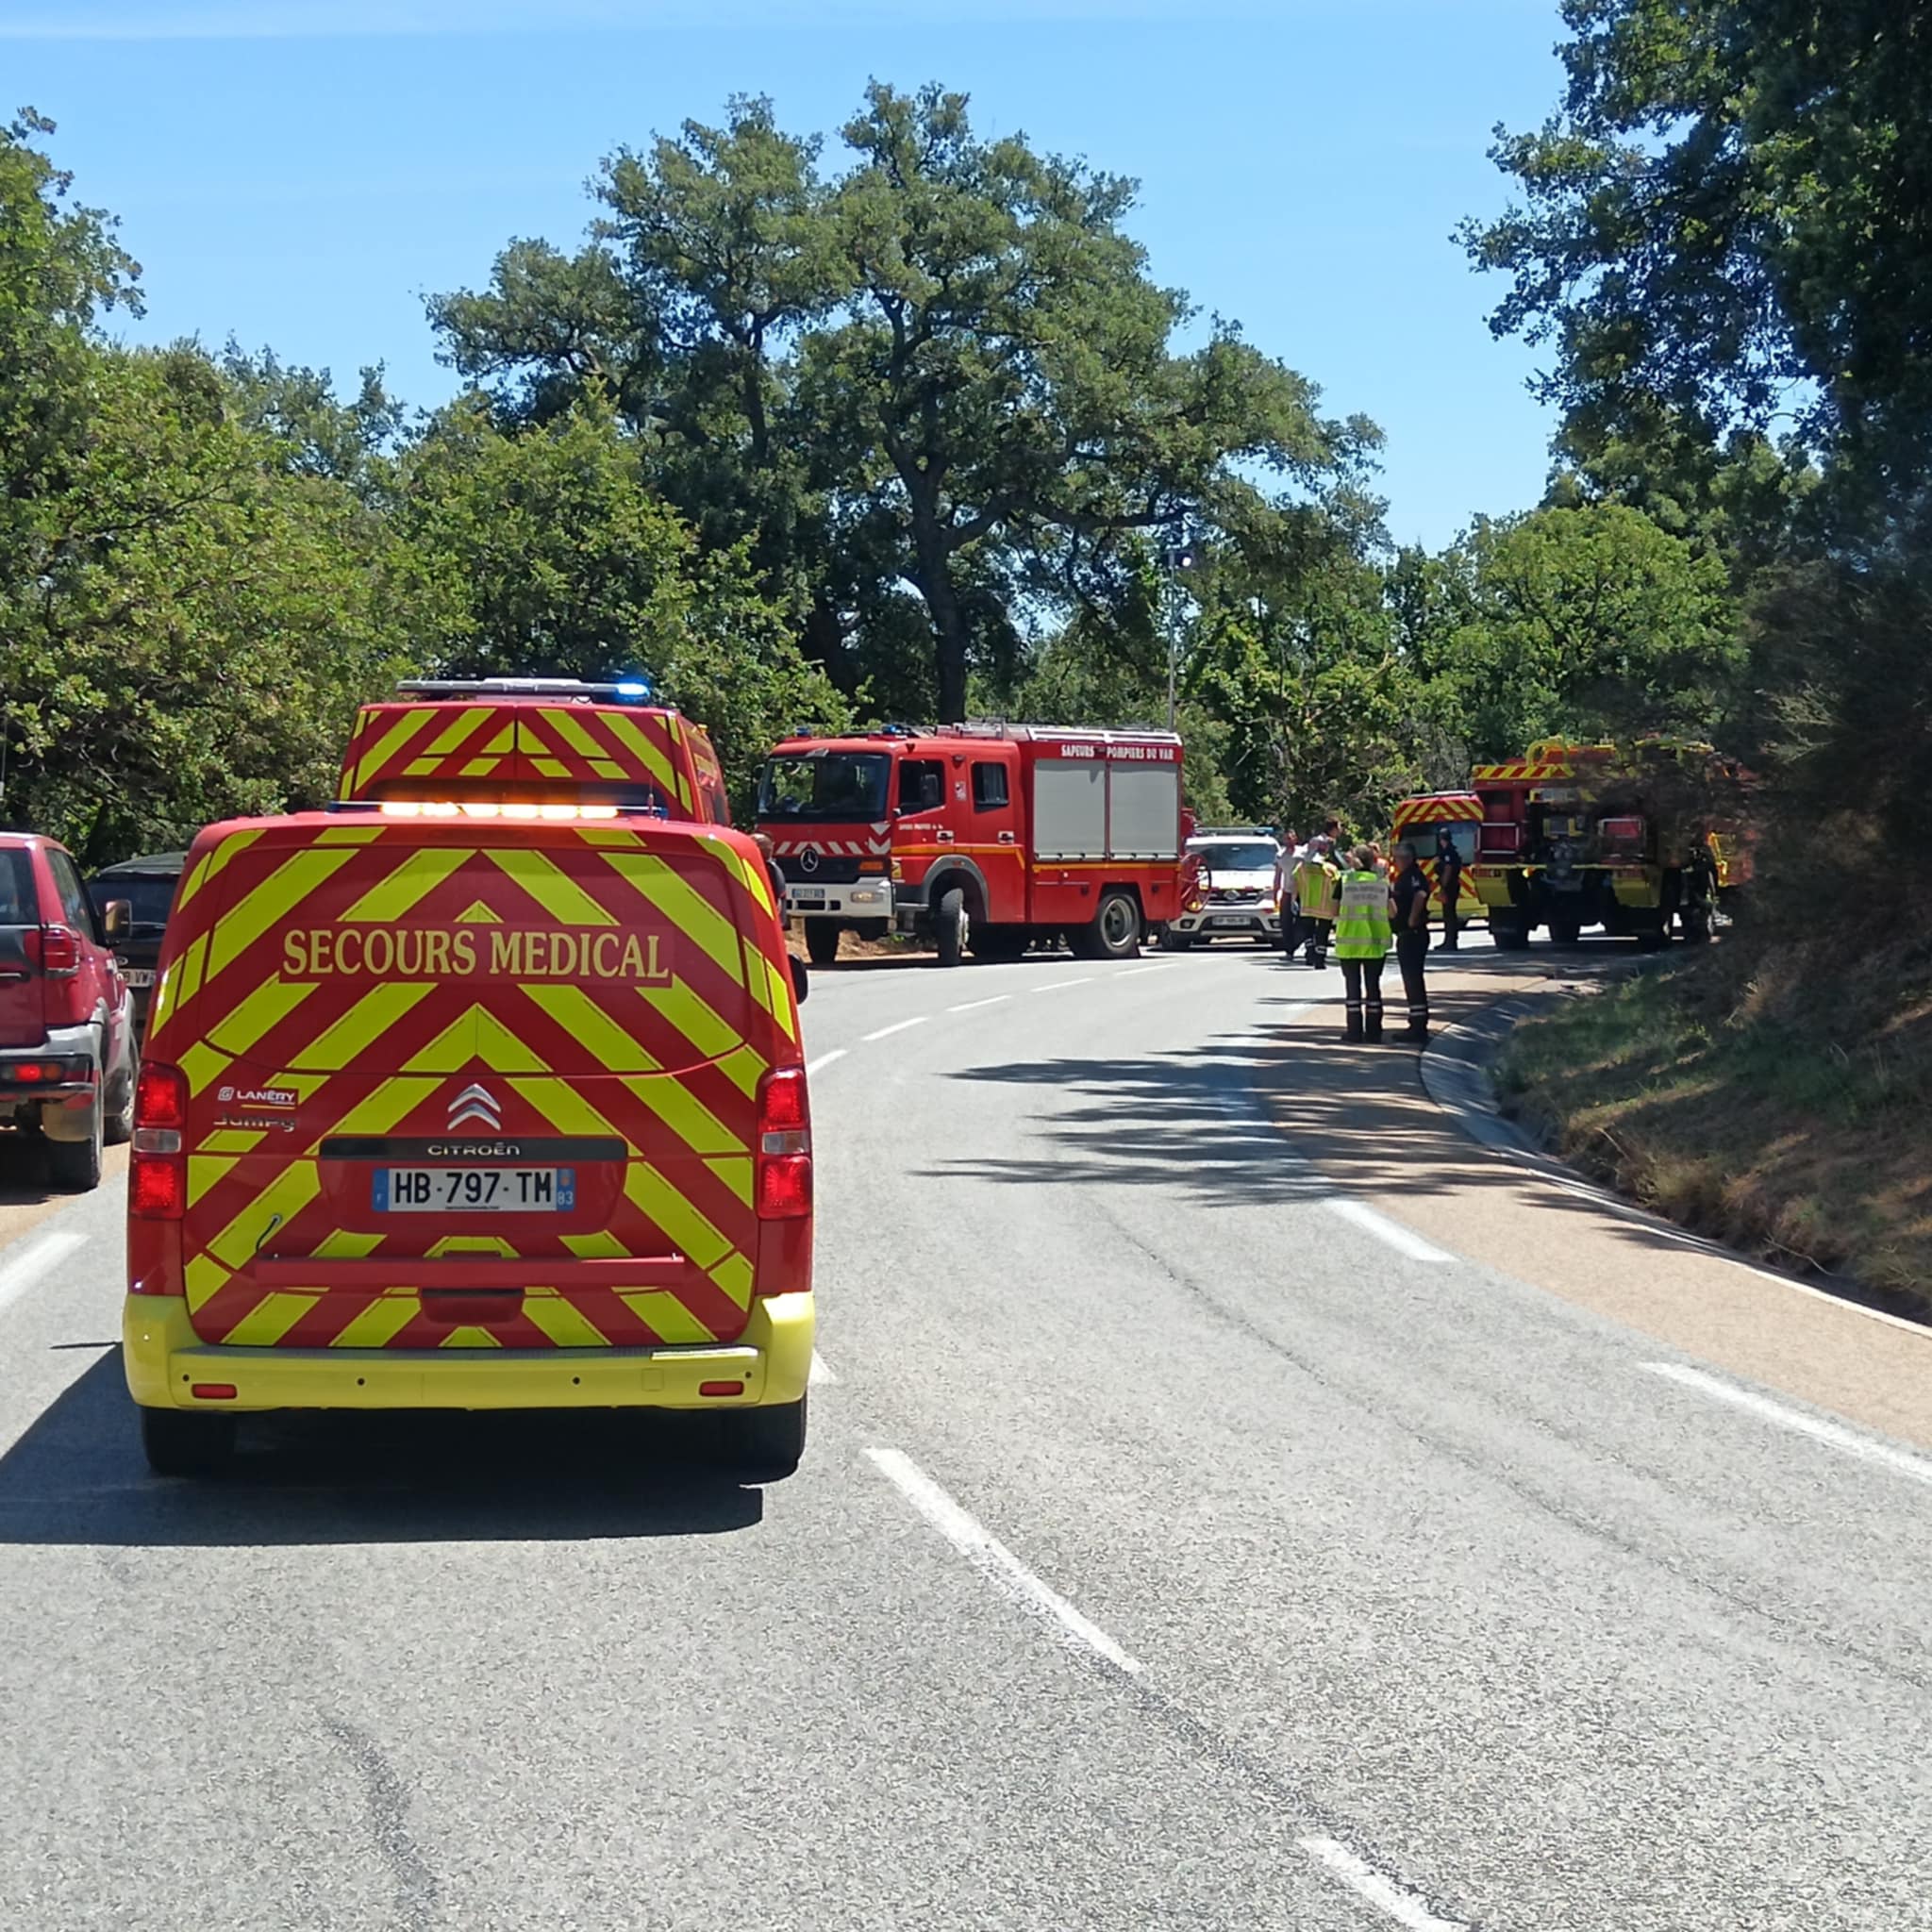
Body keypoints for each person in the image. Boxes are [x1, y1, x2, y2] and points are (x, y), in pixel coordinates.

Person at [1333, 844, 1391, 1041]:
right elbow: (1393, 912)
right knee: (1373, 987)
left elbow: (1333, 911)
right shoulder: (1381, 883)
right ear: (1373, 860)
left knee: (1352, 988)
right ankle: (1374, 1032)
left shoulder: (1344, 881)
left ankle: (1354, 1031)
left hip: (1349, 944)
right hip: (1375, 944)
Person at [1390, 841, 1432, 1041]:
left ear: (1406, 858)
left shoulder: (1411, 876)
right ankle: (1417, 1022)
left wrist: (1412, 919)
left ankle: (1418, 1027)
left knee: (1413, 979)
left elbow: (1421, 895)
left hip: (1412, 934)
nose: (1395, 862)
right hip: (1410, 934)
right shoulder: (1409, 875)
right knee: (1413, 980)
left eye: (1396, 858)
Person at [1294, 836, 1341, 967]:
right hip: (1325, 906)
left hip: (1307, 905)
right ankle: (1320, 960)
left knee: (1308, 933)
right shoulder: (1331, 869)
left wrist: (1294, 901)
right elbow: (1338, 885)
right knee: (1323, 933)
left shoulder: (1301, 867)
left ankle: (1310, 956)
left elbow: (1295, 884)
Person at [1434, 826, 1464, 951]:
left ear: (1441, 839)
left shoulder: (1447, 852)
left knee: (1449, 914)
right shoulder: (1451, 851)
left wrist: (1444, 887)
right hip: (1452, 885)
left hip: (1449, 886)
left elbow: (1448, 869)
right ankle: (1450, 940)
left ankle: (1450, 942)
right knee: (1449, 913)